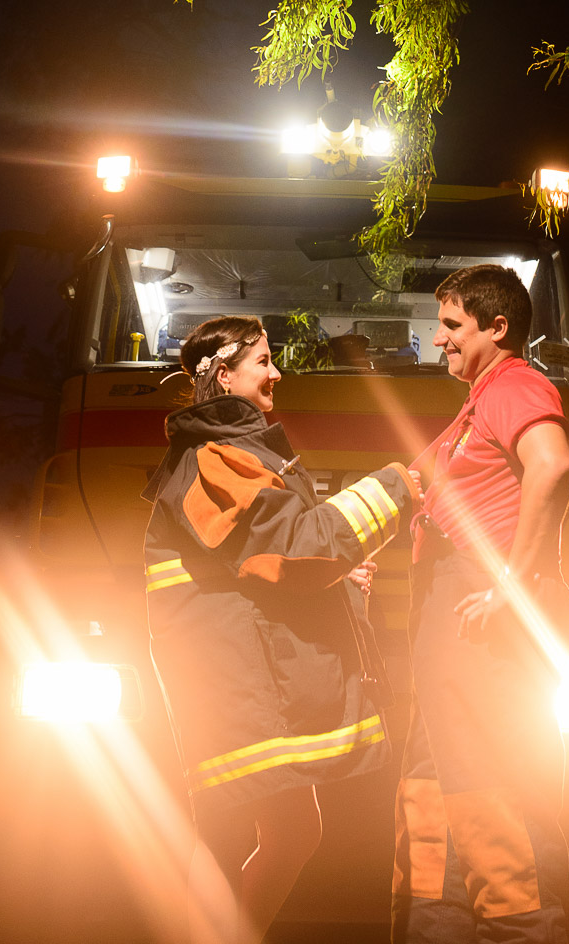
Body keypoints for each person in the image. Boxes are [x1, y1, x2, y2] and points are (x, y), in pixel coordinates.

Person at [142, 315, 420, 944]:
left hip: (240, 667)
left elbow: (262, 566)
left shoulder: (232, 450)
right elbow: (293, 546)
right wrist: (396, 488)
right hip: (226, 676)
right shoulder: (214, 458)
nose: (276, 374)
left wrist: (340, 580)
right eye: (263, 362)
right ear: (223, 375)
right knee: (224, 833)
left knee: (295, 832)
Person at [391, 265, 569, 944]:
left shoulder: (514, 384)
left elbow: (553, 463)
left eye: (452, 325)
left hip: (478, 632)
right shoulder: (477, 404)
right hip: (451, 634)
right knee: (436, 802)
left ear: (498, 328)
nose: (438, 338)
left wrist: (510, 586)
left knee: (494, 806)